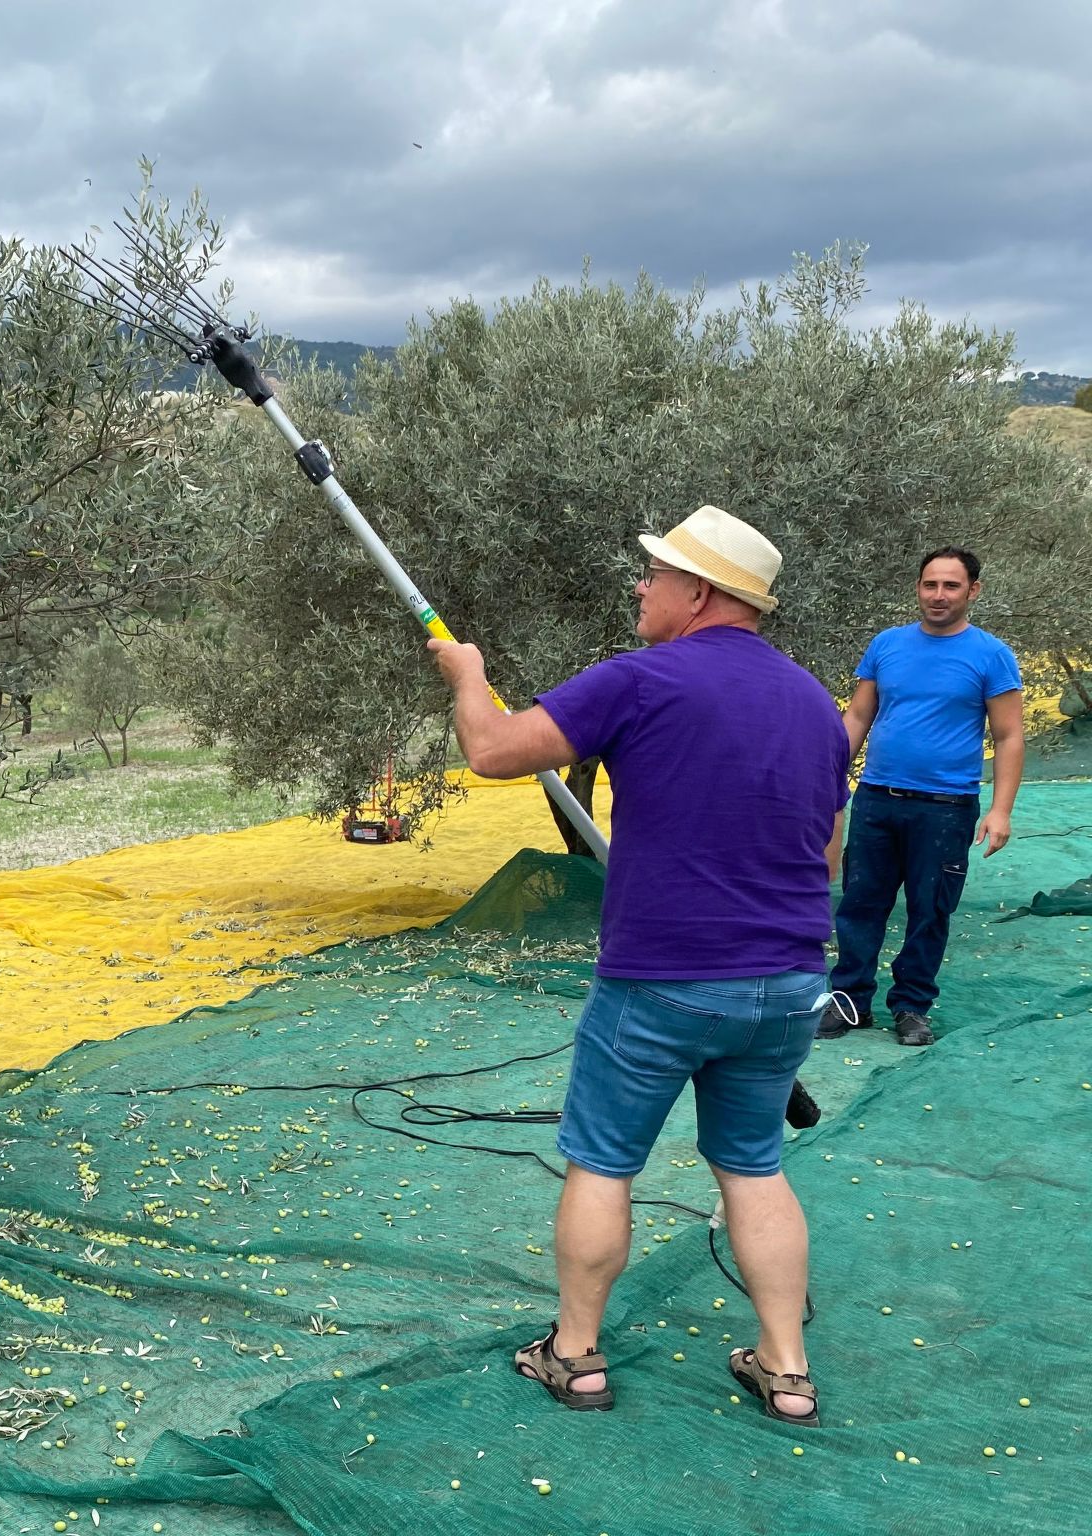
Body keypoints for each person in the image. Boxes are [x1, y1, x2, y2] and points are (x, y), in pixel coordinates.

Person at [426, 504, 848, 1427]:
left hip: (662, 981)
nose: (640, 585)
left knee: (603, 1163)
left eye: (655, 573)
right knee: (753, 1165)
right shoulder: (817, 705)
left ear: (699, 594)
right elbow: (827, 857)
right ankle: (786, 1370)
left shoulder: (642, 681)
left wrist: (471, 675)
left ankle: (574, 1354)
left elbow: (493, 749)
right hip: (784, 986)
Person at [818, 548, 1023, 1048]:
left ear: (972, 591)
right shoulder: (887, 646)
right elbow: (859, 716)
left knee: (930, 908)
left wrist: (1000, 810)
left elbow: (1010, 735)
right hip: (878, 798)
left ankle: (911, 1006)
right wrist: (826, 776)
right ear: (918, 587)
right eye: (930, 584)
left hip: (947, 806)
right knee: (862, 899)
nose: (938, 595)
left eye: (951, 586)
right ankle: (850, 1000)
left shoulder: (990, 655)